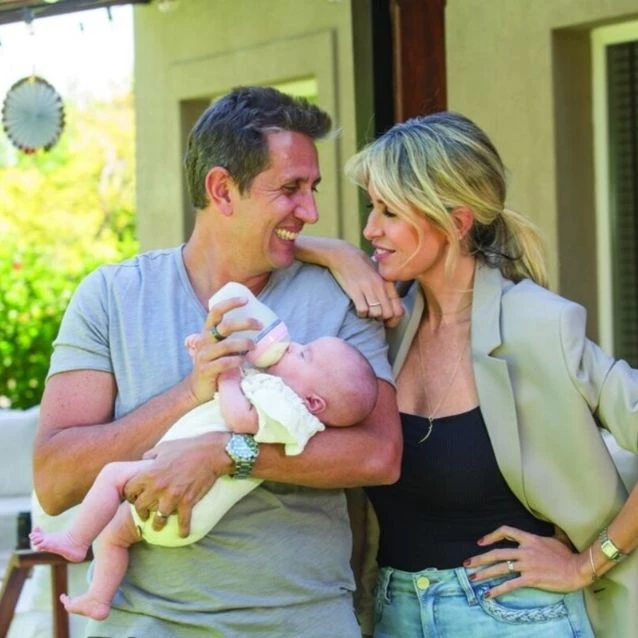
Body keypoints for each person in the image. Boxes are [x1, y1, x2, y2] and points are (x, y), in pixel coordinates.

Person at [33, 86, 402, 637]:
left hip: (302, 622)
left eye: (313, 189)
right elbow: (55, 480)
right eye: (291, 189)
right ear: (222, 189)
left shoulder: (340, 297)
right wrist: (191, 394)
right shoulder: (112, 297)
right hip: (144, 624)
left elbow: (380, 455)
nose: (311, 211)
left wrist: (228, 453)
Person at [299, 111, 638, 638]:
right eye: (372, 208)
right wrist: (336, 253)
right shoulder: (381, 327)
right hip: (394, 614)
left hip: (518, 617)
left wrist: (588, 563)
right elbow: (266, 249)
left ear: (456, 222)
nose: (370, 229)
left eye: (389, 211)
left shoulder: (539, 325)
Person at [31, 334, 378, 621]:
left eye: (304, 355)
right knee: (113, 537)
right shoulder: (278, 394)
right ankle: (98, 598)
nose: (293, 346)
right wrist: (210, 353)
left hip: (184, 502)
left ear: (314, 402)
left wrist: (228, 376)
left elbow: (241, 419)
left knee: (112, 476)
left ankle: (75, 539)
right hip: (177, 505)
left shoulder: (291, 412)